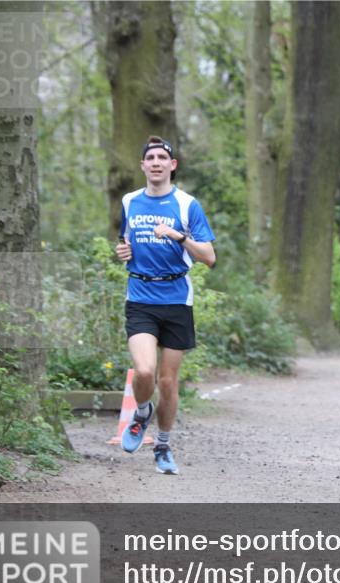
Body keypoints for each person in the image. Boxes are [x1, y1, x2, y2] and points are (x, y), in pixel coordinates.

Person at [114, 136, 216, 474]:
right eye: (150, 158)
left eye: (162, 158)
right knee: (145, 371)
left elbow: (209, 258)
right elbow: (124, 242)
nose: (156, 163)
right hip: (140, 297)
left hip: (176, 300)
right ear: (142, 165)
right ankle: (142, 411)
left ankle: (163, 446)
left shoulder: (188, 205)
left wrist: (178, 237)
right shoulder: (129, 201)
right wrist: (123, 252)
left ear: (172, 166)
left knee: (169, 382)